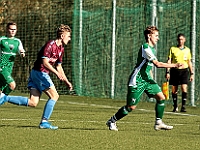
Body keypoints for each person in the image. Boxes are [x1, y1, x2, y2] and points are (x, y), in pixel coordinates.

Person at [106, 26, 183, 131]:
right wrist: (175, 65)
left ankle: (158, 122)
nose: (158, 38)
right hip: (137, 80)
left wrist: (151, 81)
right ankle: (112, 121)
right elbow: (157, 64)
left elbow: (149, 67)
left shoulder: (152, 49)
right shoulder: (145, 47)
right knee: (131, 107)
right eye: (156, 36)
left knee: (161, 97)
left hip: (147, 80)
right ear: (149, 36)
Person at [0, 24, 73, 130]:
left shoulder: (61, 49)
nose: (69, 39)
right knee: (54, 96)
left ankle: (4, 98)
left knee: (33, 102)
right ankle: (44, 122)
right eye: (68, 36)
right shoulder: (50, 45)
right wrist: (56, 74)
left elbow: (59, 66)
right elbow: (45, 62)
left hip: (37, 74)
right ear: (62, 36)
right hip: (40, 73)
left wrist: (66, 81)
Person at [166, 33, 193, 112]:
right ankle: (175, 106)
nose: (180, 41)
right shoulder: (173, 49)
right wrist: (167, 71)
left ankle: (183, 106)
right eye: (179, 39)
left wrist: (192, 73)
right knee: (174, 89)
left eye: (181, 39)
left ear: (184, 40)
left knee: (184, 87)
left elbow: (189, 62)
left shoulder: (187, 50)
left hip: (184, 71)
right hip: (175, 70)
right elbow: (169, 60)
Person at [0, 22, 25, 96]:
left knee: (1, 89)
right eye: (11, 29)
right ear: (7, 29)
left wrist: (22, 53)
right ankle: (4, 99)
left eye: (14, 29)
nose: (13, 31)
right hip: (2, 66)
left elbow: (21, 51)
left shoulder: (17, 41)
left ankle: (2, 99)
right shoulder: (2, 39)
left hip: (9, 67)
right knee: (12, 85)